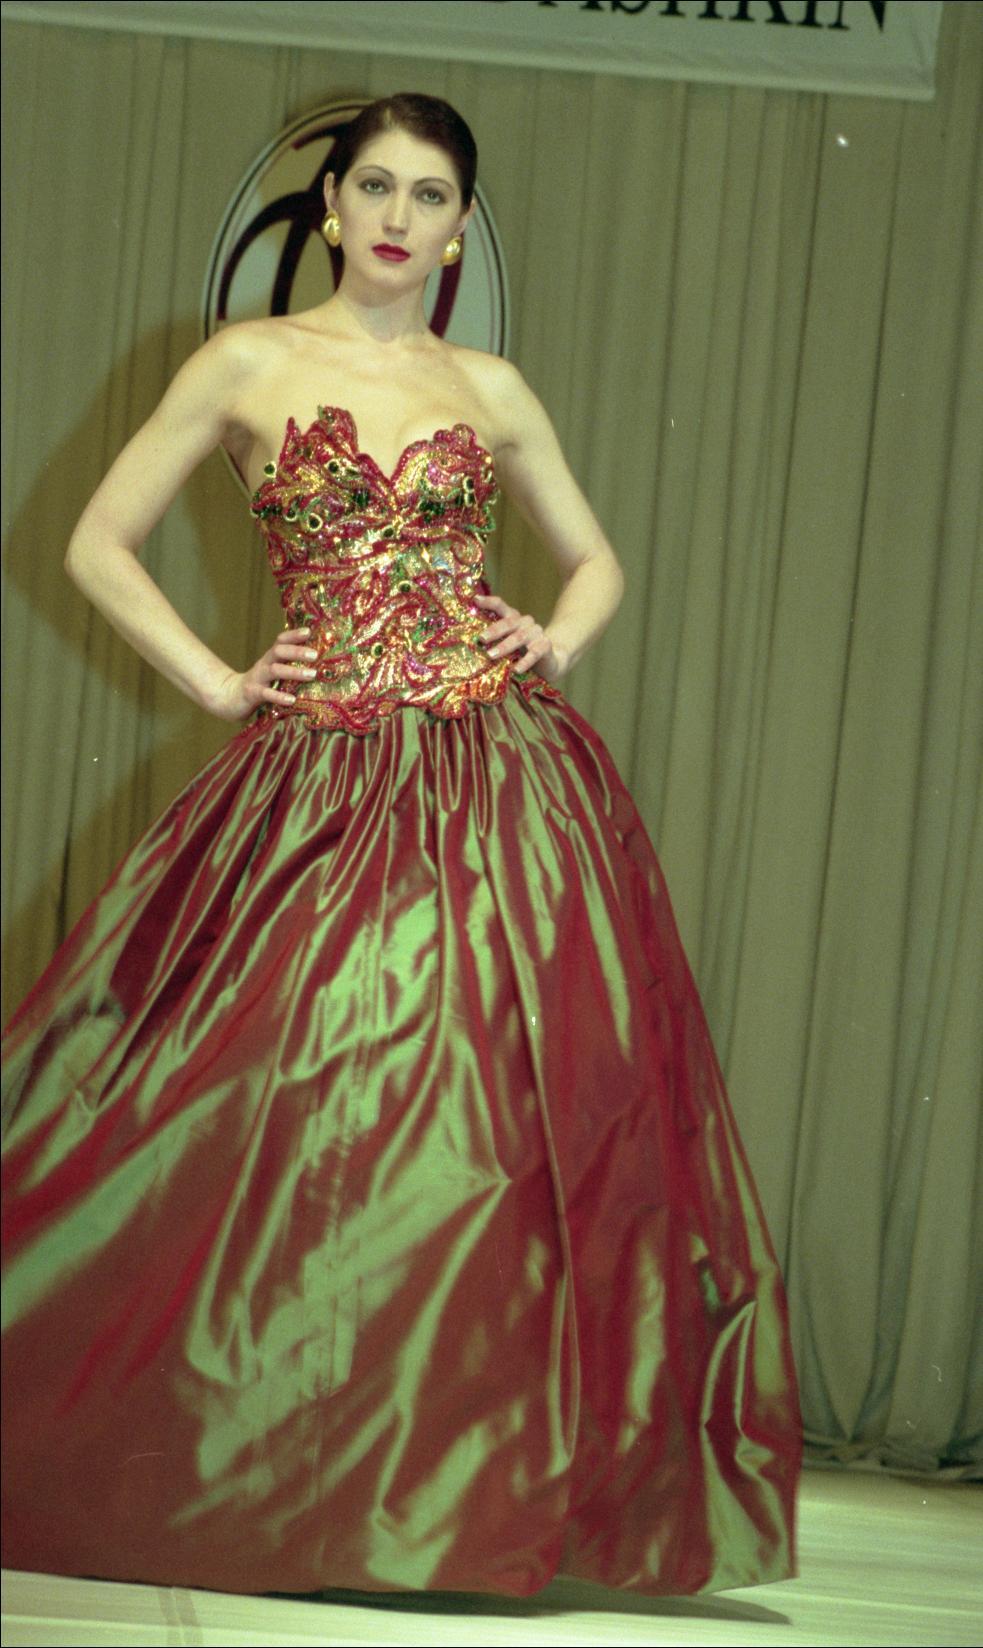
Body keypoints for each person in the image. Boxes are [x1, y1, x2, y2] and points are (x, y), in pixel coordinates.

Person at [1, 93, 801, 1601]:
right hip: (318, 783)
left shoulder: (488, 386)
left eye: (430, 197)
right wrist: (220, 682)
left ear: (456, 232)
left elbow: (596, 560)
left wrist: (552, 637)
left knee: (480, 1125)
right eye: (375, 185)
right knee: (279, 1104)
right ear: (330, 208)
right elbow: (94, 541)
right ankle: (282, 1470)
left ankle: (440, 1492)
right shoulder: (245, 362)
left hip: (500, 788)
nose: (397, 215)